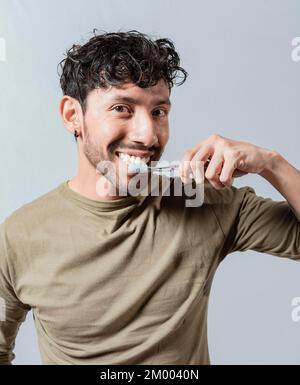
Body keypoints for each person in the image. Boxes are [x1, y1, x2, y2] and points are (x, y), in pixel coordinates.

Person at [0, 30, 299, 365]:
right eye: (122, 108)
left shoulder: (205, 204)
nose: (147, 135)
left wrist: (271, 164)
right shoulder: (17, 237)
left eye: (159, 112)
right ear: (73, 116)